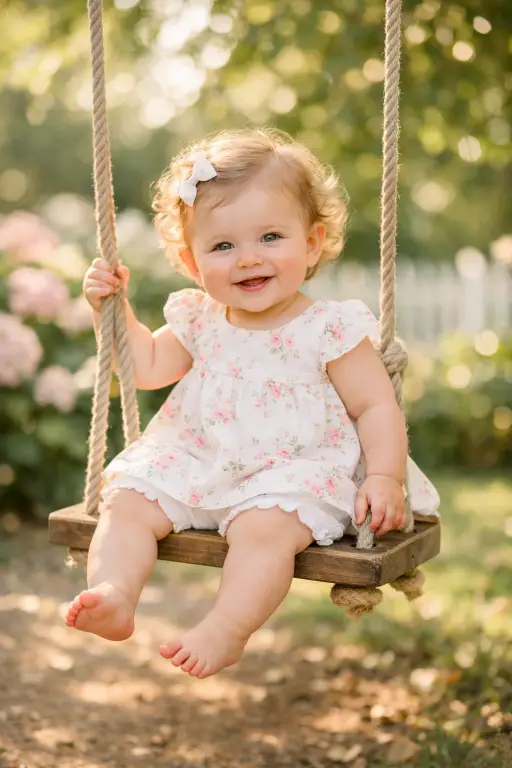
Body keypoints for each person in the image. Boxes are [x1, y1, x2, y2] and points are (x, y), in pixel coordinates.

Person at [65, 128, 439, 678]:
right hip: (199, 462)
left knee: (264, 530)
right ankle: (114, 593)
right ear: (192, 262)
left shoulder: (328, 328)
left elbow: (375, 406)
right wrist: (111, 311)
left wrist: (384, 476)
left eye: (270, 237)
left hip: (287, 475)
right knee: (127, 502)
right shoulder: (200, 319)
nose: (248, 259)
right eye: (223, 246)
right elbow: (144, 366)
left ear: (311, 242)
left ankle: (227, 628)